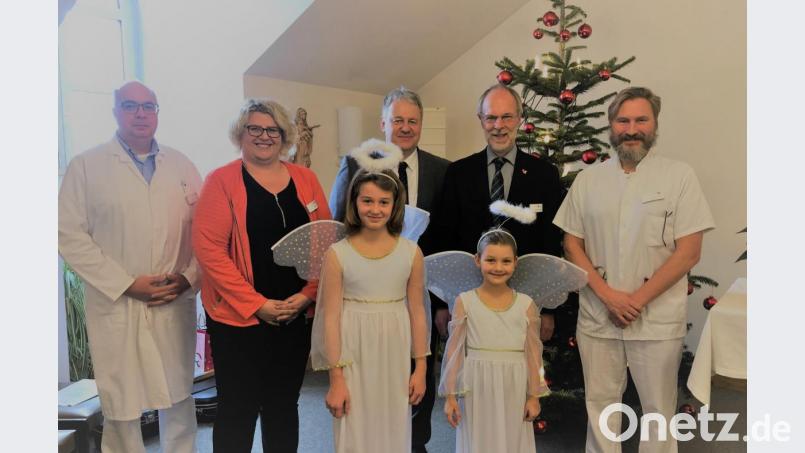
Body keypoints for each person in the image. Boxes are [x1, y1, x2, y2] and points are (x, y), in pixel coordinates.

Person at [553, 87, 715, 453]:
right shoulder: (588, 180)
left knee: (658, 411)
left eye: (641, 119)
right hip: (598, 314)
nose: (632, 128)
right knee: (601, 407)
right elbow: (571, 243)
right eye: (623, 120)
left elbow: (689, 251)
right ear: (611, 126)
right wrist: (609, 296)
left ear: (654, 124)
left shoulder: (679, 176)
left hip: (656, 318)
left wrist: (636, 300)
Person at [59, 81, 200, 453]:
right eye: (130, 105)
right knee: (121, 404)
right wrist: (126, 284)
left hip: (173, 300)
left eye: (148, 107)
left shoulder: (182, 164)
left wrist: (188, 279)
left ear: (157, 113)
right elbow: (67, 234)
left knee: (179, 396)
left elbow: (207, 232)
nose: (141, 114)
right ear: (115, 112)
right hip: (118, 302)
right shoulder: (86, 166)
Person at [192, 99, 331, 452]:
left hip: (294, 314)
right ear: (241, 133)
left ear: (284, 136)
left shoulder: (306, 178)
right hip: (239, 320)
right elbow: (210, 252)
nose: (264, 136)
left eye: (272, 130)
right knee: (239, 409)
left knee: (283, 406)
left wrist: (307, 295)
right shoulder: (221, 181)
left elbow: (326, 242)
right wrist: (256, 305)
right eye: (255, 128)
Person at [329, 86, 449, 452]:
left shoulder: (442, 170)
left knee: (417, 375)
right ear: (383, 123)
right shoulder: (355, 164)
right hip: (364, 286)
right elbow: (338, 222)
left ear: (421, 125)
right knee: (365, 383)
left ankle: (416, 442)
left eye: (413, 121)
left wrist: (442, 300)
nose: (405, 127)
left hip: (420, 289)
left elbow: (446, 232)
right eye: (398, 120)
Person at [429, 83, 564, 342]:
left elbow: (550, 243)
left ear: (520, 119)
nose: (498, 125)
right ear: (481, 120)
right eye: (490, 117)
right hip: (468, 299)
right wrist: (441, 303)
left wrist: (548, 307)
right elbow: (443, 238)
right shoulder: (458, 173)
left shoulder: (544, 175)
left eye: (506, 116)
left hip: (525, 301)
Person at [313, 167, 430, 453]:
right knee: (354, 426)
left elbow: (417, 312)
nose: (375, 209)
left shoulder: (411, 253)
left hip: (394, 351)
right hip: (352, 351)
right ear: (354, 202)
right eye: (367, 201)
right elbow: (330, 317)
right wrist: (336, 379)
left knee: (393, 425)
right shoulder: (338, 254)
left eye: (383, 202)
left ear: (395, 205)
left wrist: (421, 368)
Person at [440, 229, 548, 453]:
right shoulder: (465, 301)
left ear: (515, 262)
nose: (498, 267)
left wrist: (534, 395)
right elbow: (454, 351)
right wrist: (450, 395)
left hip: (514, 385)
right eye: (491, 260)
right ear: (478, 260)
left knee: (512, 440)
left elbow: (533, 354)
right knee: (479, 440)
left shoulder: (526, 304)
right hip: (476, 384)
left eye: (506, 261)